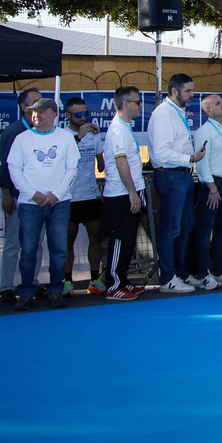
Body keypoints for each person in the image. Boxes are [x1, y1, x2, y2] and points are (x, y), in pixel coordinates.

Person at [7, 97, 79, 310]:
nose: (35, 115)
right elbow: (14, 169)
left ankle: (55, 290)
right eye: (33, 112)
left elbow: (72, 169)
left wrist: (57, 194)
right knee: (28, 249)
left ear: (53, 114)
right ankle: (26, 292)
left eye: (40, 111)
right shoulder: (22, 139)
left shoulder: (65, 138)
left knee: (58, 249)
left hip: (60, 202)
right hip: (30, 204)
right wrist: (32, 193)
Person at [148, 74, 205, 293]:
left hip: (182, 175)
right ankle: (168, 277)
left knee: (186, 225)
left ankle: (181, 272)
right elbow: (161, 153)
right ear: (174, 91)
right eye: (188, 91)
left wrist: (189, 160)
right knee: (171, 227)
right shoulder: (163, 114)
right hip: (171, 175)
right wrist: (189, 159)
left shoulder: (175, 112)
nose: (192, 95)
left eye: (192, 90)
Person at [0, 87, 42, 302]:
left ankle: (31, 282)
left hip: (38, 198)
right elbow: (3, 166)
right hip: (16, 197)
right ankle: (6, 286)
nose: (41, 106)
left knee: (36, 244)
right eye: (36, 102)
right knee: (13, 243)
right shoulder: (13, 131)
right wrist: (6, 194)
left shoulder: (43, 130)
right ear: (24, 108)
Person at [101, 87, 146, 300]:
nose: (140, 106)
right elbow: (121, 162)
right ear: (125, 104)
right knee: (119, 239)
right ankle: (114, 285)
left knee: (128, 240)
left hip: (130, 193)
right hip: (120, 195)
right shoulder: (118, 129)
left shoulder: (125, 127)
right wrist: (131, 192)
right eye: (137, 102)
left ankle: (123, 280)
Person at [190, 93, 222, 288]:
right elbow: (202, 163)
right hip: (212, 186)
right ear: (208, 110)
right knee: (205, 231)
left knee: (221, 231)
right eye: (218, 104)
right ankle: (205, 273)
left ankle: (220, 270)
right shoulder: (204, 131)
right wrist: (211, 188)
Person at [63, 97, 105, 294]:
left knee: (95, 236)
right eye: (78, 115)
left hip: (90, 193)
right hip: (69, 196)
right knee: (68, 239)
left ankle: (95, 279)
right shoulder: (62, 135)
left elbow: (101, 164)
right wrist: (78, 137)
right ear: (67, 115)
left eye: (85, 114)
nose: (82, 118)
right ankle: (67, 281)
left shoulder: (93, 134)